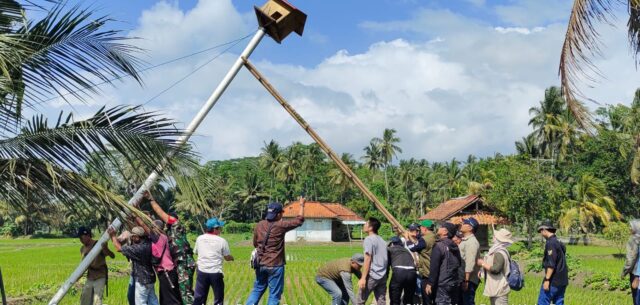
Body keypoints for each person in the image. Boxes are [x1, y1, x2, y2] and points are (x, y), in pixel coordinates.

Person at [245, 197, 305, 305]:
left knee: (257, 290)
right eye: (281, 213)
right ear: (278, 214)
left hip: (261, 264)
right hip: (275, 265)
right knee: (274, 295)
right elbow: (299, 220)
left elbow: (255, 243)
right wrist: (301, 205)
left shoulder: (259, 224)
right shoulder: (280, 225)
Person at [144, 191, 196, 305]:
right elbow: (153, 226)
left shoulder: (177, 225)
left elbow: (161, 214)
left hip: (184, 263)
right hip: (178, 264)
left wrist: (151, 200)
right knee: (179, 291)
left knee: (186, 292)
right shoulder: (166, 234)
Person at [108, 226, 159, 305]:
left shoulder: (137, 249)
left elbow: (119, 248)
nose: (132, 238)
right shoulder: (148, 243)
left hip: (142, 279)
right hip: (150, 277)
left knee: (141, 302)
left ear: (137, 237)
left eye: (133, 237)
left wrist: (112, 236)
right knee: (153, 300)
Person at [194, 218, 234, 305]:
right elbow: (227, 257)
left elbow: (196, 252)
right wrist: (232, 258)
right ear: (215, 229)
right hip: (216, 273)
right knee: (218, 299)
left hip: (202, 272)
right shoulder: (222, 241)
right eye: (219, 228)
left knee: (199, 299)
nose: (220, 230)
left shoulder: (199, 238)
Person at [425, 222, 463, 305]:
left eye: (441, 227)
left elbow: (434, 267)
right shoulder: (455, 246)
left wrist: (430, 283)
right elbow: (459, 263)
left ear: (445, 231)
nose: (438, 228)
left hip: (443, 284)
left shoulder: (439, 246)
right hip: (454, 282)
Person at [356, 217, 388, 305]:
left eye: (366, 224)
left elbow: (367, 258)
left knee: (360, 301)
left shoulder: (369, 239)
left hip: (372, 275)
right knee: (381, 301)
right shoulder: (382, 240)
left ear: (370, 228)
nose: (364, 225)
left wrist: (363, 278)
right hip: (383, 275)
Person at [78, 227, 115, 305]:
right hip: (90, 277)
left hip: (100, 276)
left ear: (88, 235)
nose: (80, 240)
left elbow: (112, 255)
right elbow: (83, 265)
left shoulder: (98, 245)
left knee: (97, 301)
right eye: (79, 238)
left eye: (81, 237)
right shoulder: (82, 249)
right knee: (85, 300)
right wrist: (77, 277)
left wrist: (106, 248)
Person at [477, 229, 513, 305]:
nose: (493, 237)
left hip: (499, 288)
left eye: (495, 236)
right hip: (495, 287)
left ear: (498, 239)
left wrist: (482, 263)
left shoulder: (499, 253)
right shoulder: (496, 251)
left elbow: (496, 269)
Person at [536, 220, 568, 305]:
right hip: (563, 279)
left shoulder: (551, 243)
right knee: (559, 302)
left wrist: (547, 280)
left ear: (544, 230)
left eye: (541, 231)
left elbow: (551, 264)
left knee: (543, 302)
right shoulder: (558, 242)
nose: (541, 234)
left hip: (554, 280)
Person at [406, 220, 436, 305]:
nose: (420, 229)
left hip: (427, 272)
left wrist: (407, 239)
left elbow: (412, 248)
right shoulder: (434, 236)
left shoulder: (425, 240)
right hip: (434, 270)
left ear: (425, 228)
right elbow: (419, 240)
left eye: (421, 227)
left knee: (427, 299)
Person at [388, 236, 417, 305]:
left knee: (395, 297)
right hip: (412, 272)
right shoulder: (406, 250)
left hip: (399, 272)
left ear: (392, 243)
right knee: (409, 299)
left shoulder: (390, 249)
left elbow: (387, 264)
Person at [459, 218, 481, 305]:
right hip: (464, 278)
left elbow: (470, 263)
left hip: (469, 279)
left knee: (468, 302)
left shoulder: (472, 242)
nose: (462, 224)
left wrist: (466, 281)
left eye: (465, 223)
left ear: (470, 228)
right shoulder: (466, 240)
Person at [621, 219, 640, 305]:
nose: (629, 229)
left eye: (631, 227)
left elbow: (631, 259)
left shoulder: (633, 240)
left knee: (637, 298)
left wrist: (624, 272)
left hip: (636, 274)